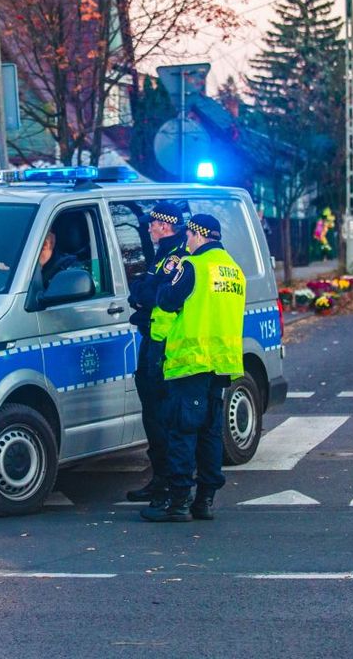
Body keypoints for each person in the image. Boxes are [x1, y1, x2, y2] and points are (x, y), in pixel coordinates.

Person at [142, 214, 246, 523]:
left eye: (188, 234)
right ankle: (205, 501)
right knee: (210, 434)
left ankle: (177, 504)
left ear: (198, 235)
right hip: (221, 363)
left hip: (191, 362)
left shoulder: (193, 266)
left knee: (182, 432)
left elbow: (167, 301)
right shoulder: (234, 270)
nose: (185, 240)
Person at [125, 203, 188, 504]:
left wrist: (140, 293)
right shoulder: (163, 253)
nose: (148, 228)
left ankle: (166, 482)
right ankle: (160, 478)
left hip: (162, 344)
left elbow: (154, 294)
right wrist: (141, 292)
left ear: (164, 226)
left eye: (152, 224)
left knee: (160, 414)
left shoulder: (174, 255)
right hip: (153, 339)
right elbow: (142, 289)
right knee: (153, 413)